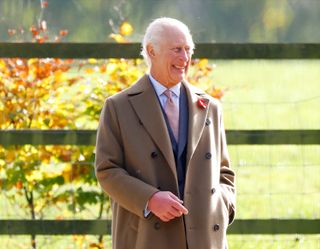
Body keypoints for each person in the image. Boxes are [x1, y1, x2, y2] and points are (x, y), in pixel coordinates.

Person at [95, 17, 236, 249]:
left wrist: (221, 206)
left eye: (188, 50)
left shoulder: (210, 107)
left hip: (204, 239)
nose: (185, 58)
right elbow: (107, 170)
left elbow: (224, 172)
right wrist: (149, 199)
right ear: (152, 51)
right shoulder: (118, 107)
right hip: (148, 235)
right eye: (177, 50)